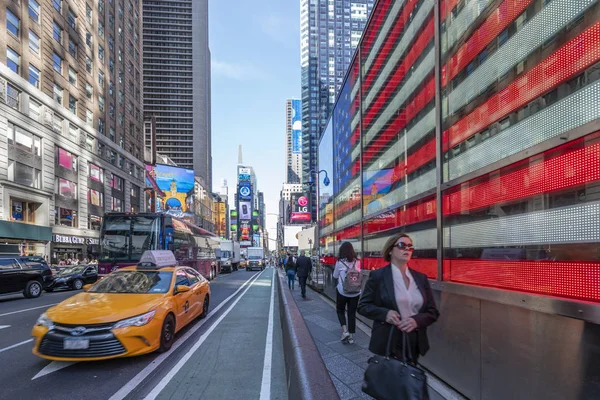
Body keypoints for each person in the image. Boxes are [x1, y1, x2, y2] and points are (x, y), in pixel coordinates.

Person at [358, 233, 439, 364]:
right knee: (390, 380)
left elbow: (433, 311)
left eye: (410, 246)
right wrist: (385, 314)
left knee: (410, 380)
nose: (407, 249)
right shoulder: (378, 276)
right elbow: (363, 306)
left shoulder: (420, 278)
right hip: (388, 341)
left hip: (413, 341)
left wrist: (416, 321)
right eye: (402, 245)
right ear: (390, 250)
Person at [333, 242, 361, 344]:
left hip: (342, 291)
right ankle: (351, 337)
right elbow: (358, 274)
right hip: (355, 291)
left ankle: (345, 331)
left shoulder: (340, 262)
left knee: (340, 310)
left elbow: (335, 276)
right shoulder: (357, 261)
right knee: (351, 313)